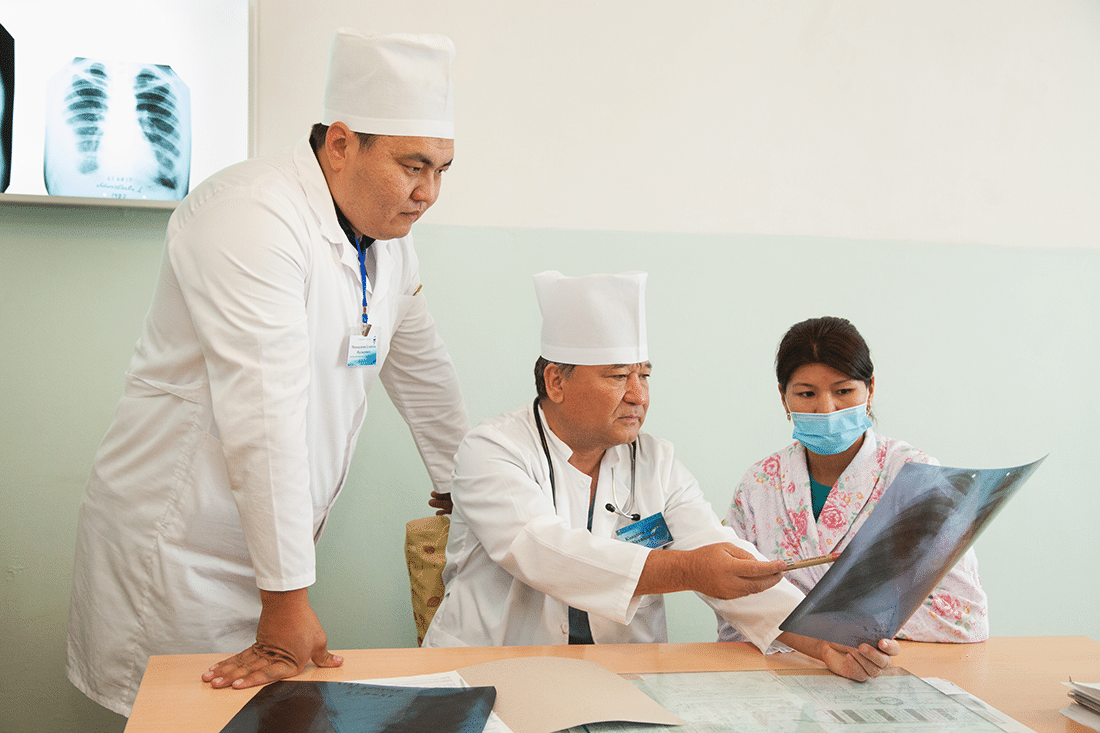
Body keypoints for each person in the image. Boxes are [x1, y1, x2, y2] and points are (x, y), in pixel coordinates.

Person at [65, 30, 469, 717]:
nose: (427, 192)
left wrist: (467, 494)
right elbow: (264, 412)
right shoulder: (250, 216)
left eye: (442, 170)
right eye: (412, 165)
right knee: (178, 717)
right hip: (179, 552)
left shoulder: (389, 246)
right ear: (340, 144)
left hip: (268, 551)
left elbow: (425, 373)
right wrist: (286, 601)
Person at [423, 271, 899, 682]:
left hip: (619, 680)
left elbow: (721, 555)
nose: (637, 395)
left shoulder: (657, 461)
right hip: (490, 676)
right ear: (556, 381)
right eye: (617, 377)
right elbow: (545, 554)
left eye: (645, 376)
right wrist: (690, 569)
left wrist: (820, 641)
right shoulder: (492, 450)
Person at [717, 316, 988, 644]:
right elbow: (735, 614)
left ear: (870, 388)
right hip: (782, 677)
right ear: (783, 396)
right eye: (806, 394)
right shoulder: (758, 486)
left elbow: (965, 615)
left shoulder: (917, 477)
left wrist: (840, 625)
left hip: (885, 672)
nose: (826, 409)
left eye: (843, 391)